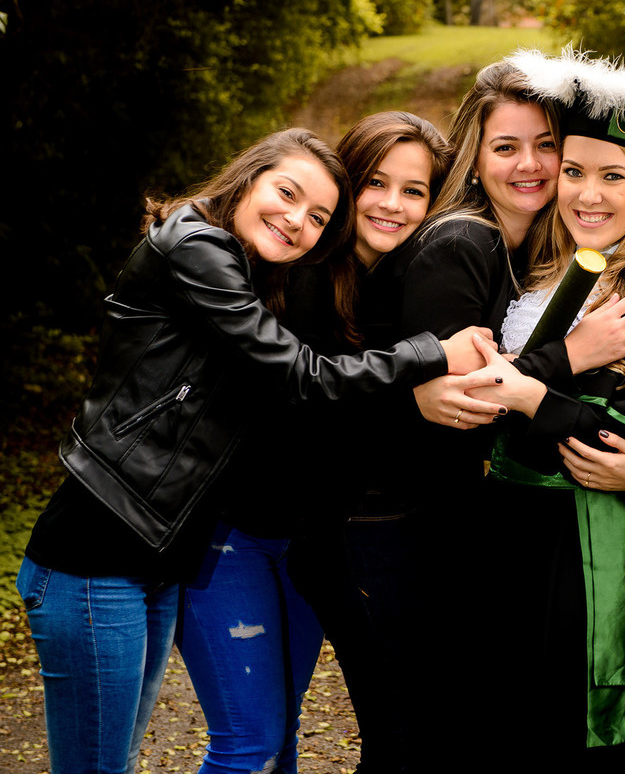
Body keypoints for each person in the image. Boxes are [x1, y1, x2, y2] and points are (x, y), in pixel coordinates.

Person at [15, 127, 492, 774]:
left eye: (317, 215)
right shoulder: (198, 248)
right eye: (287, 194)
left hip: (156, 555)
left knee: (181, 752)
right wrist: (429, 356)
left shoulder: (272, 271)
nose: (297, 221)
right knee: (215, 750)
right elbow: (300, 378)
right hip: (99, 548)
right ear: (248, 177)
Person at [459, 48, 625, 771]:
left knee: (569, 747)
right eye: (574, 172)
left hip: (580, 559)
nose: (588, 194)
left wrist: (530, 401)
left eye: (614, 176)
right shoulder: (534, 270)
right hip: (508, 548)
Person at [175, 112, 455, 774]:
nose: (391, 203)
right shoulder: (289, 271)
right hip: (229, 531)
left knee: (279, 735)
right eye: (375, 183)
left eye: (414, 191)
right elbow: (298, 399)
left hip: (304, 542)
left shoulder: (397, 286)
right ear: (344, 187)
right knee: (249, 743)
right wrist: (409, 389)